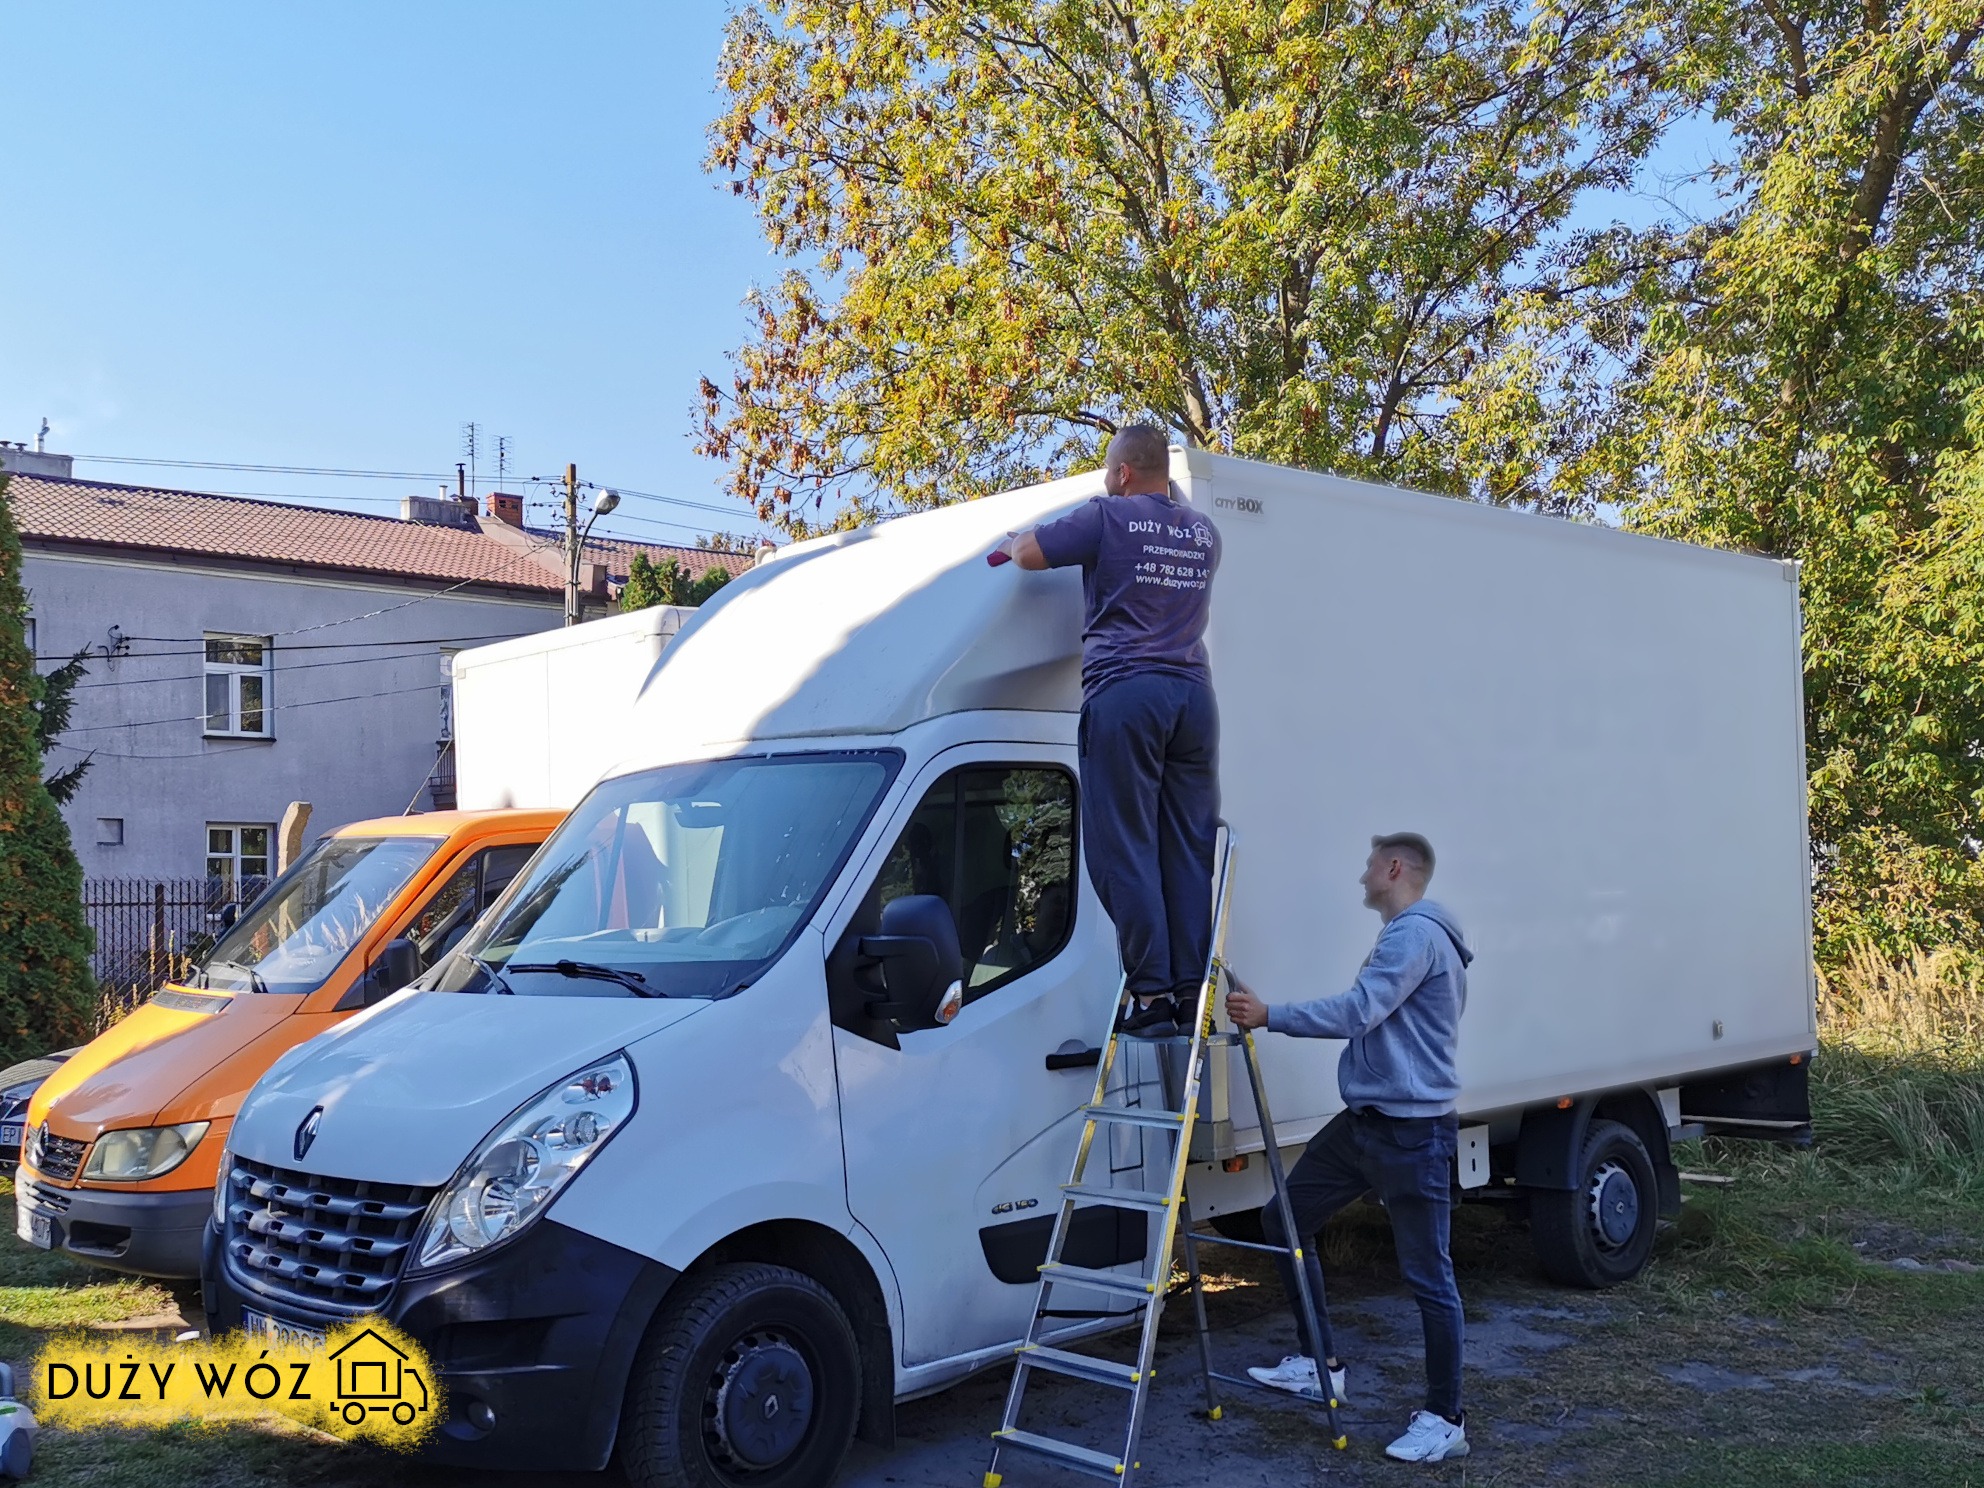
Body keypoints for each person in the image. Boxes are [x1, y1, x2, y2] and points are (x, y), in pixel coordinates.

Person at [1224, 833, 1474, 1465]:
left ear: (1395, 868)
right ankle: (1319, 1365)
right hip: (1364, 1123)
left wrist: (1268, 1013)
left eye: (1370, 865)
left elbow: (1359, 1011)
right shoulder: (1404, 935)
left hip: (1411, 1132)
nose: (1362, 875)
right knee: (1283, 1218)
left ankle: (1447, 1418)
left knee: (1428, 1277)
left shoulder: (1415, 935)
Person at [994, 424, 1220, 1038]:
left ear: (1123, 473)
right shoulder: (1205, 533)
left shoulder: (1106, 517)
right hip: (1194, 700)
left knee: (1123, 845)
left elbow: (1031, 554)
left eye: (1107, 470)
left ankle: (1149, 996)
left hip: (1128, 694)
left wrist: (1015, 540)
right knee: (1185, 848)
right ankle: (1188, 991)